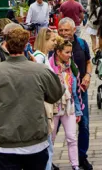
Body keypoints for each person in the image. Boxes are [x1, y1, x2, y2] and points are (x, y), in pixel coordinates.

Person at [0, 27, 63, 170]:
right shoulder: (40, 70)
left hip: (5, 142)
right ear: (26, 45)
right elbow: (56, 93)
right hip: (34, 142)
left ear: (5, 44)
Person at [57, 18, 93, 170]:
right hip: (59, 95)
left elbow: (88, 62)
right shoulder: (55, 47)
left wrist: (88, 76)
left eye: (67, 30)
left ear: (73, 30)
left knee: (84, 125)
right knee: (54, 128)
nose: (64, 33)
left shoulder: (82, 44)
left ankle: (81, 156)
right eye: (61, 30)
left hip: (79, 93)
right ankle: (47, 159)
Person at [49, 37, 83, 170]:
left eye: (71, 52)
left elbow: (77, 91)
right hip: (54, 107)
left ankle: (75, 165)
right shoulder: (50, 66)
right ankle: (48, 164)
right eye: (67, 52)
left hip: (69, 106)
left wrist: (79, 110)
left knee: (72, 137)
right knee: (50, 139)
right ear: (58, 52)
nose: (70, 55)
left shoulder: (72, 67)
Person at [33, 28, 58, 170]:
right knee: (47, 146)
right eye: (52, 40)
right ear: (44, 40)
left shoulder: (44, 56)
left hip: (47, 104)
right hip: (43, 105)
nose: (55, 43)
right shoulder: (40, 58)